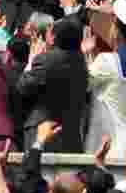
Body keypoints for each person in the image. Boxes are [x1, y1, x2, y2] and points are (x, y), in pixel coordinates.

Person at [82, 0, 126, 158]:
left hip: (109, 144)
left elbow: (83, 84)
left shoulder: (107, 60)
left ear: (117, 31)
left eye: (112, 25)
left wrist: (85, 53)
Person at [17, 15, 89, 152]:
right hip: (71, 135)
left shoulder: (45, 60)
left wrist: (31, 60)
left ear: (55, 37)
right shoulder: (81, 62)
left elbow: (22, 87)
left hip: (43, 133)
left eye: (50, 32)